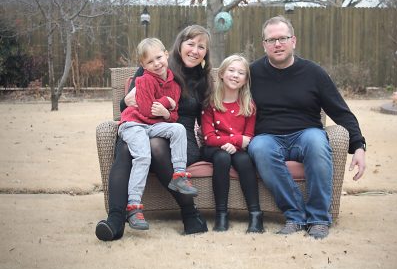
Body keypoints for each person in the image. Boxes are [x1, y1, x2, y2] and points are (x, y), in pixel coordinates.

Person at [247, 16, 366, 239]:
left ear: (294, 41)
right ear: (264, 45)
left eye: (282, 38)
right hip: (268, 137)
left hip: (306, 133)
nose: (277, 44)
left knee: (316, 142)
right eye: (271, 40)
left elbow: (341, 112)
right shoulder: (252, 74)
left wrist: (358, 146)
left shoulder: (314, 73)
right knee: (259, 147)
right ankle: (295, 216)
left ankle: (319, 219)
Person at [96, 25, 213, 241]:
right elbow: (129, 106)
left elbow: (207, 119)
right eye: (190, 44)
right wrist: (124, 101)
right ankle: (115, 219)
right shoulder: (154, 66)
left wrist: (212, 145)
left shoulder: (204, 80)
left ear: (206, 52)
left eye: (201, 47)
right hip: (145, 125)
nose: (195, 50)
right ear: (178, 46)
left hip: (180, 136)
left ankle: (189, 212)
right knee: (126, 143)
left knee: (154, 144)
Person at [117, 38, 198, 231]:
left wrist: (168, 111)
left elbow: (174, 116)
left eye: (159, 57)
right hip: (134, 124)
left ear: (167, 55)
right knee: (143, 156)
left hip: (153, 125)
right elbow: (146, 110)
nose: (156, 64)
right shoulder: (143, 80)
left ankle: (179, 176)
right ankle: (134, 207)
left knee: (177, 128)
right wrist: (166, 101)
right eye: (150, 62)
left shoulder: (175, 84)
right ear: (143, 66)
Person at [201, 54, 264, 233]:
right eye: (231, 70)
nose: (235, 75)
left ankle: (256, 214)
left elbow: (248, 138)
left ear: (245, 80)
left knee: (244, 161)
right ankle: (221, 214)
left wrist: (235, 145)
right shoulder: (211, 102)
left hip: (237, 150)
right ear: (221, 73)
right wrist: (234, 141)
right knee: (222, 158)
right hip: (213, 148)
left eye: (241, 73)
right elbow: (209, 137)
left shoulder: (248, 105)